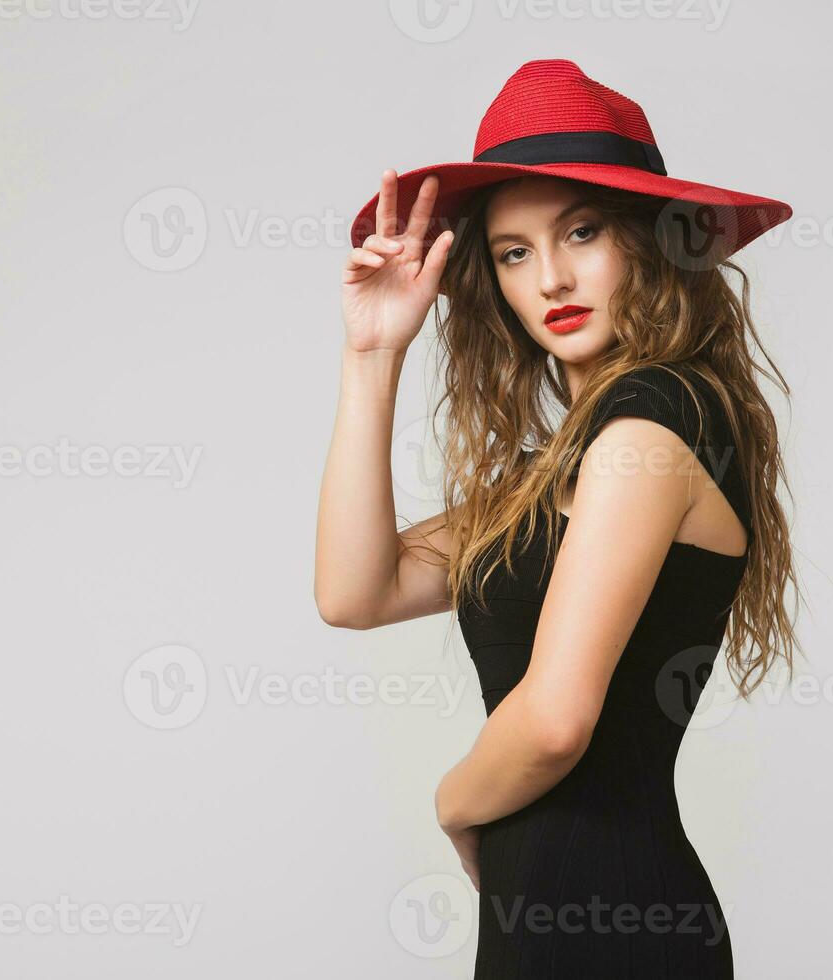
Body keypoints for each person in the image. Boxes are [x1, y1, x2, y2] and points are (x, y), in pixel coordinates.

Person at [313, 60, 804, 977]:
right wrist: (371, 354)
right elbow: (355, 591)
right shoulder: (555, 477)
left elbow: (551, 724)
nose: (550, 277)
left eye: (581, 231)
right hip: (545, 926)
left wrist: (454, 805)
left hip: (616, 923)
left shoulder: (659, 421)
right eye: (511, 251)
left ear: (649, 241)